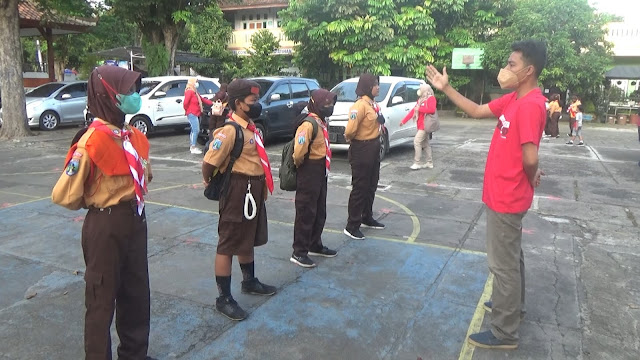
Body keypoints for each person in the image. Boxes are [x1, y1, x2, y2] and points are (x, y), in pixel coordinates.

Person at [426, 39, 547, 349]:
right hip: (500, 194)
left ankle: (505, 332)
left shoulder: (532, 103)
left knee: (502, 265)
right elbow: (478, 110)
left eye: (512, 64)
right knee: (511, 257)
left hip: (509, 196)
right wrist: (446, 89)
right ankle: (512, 306)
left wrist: (532, 178)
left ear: (529, 70)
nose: (505, 69)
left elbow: (530, 157)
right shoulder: (513, 99)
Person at [52, 65, 155, 360]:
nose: (134, 96)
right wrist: (97, 199)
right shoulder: (91, 142)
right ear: (108, 95)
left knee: (137, 292)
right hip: (106, 225)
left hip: (135, 218)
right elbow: (66, 193)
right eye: (127, 91)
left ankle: (135, 353)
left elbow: (146, 176)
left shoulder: (133, 136)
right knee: (101, 298)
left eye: (135, 90)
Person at [201, 79, 276, 321]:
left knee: (248, 236)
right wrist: (208, 179)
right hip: (237, 190)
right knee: (229, 242)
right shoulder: (230, 130)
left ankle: (249, 281)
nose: (257, 105)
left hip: (253, 190)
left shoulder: (250, 127)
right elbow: (209, 163)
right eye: (252, 101)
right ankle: (223, 298)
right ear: (237, 104)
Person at [290, 89, 339, 268]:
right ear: (316, 103)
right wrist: (305, 167)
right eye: (326, 104)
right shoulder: (308, 124)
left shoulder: (321, 121)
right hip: (309, 170)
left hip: (320, 170)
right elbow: (298, 153)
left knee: (319, 210)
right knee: (306, 211)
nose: (330, 107)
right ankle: (299, 251)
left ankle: (314, 243)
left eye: (331, 103)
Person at [343, 73, 386, 241]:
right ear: (368, 87)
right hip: (362, 148)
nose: (378, 87)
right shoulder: (359, 106)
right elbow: (350, 130)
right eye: (376, 84)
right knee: (360, 187)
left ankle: (366, 216)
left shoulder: (373, 104)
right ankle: (352, 225)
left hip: (374, 147)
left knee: (371, 184)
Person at [399, 83, 437, 169]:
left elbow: (432, 110)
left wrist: (419, 109)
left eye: (421, 89)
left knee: (417, 141)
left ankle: (417, 162)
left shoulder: (431, 99)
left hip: (425, 125)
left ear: (425, 90)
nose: (419, 91)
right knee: (425, 143)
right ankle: (429, 162)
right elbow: (413, 111)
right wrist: (404, 121)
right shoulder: (420, 100)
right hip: (420, 125)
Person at [184, 77, 213, 154]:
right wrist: (188, 111)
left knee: (193, 130)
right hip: (192, 113)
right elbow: (185, 103)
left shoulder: (194, 92)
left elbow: (202, 99)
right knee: (196, 130)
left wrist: (213, 103)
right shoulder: (189, 91)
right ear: (192, 82)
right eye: (196, 82)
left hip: (195, 113)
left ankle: (192, 146)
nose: (197, 84)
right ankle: (193, 147)